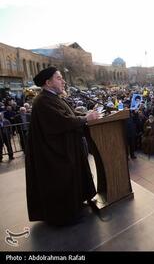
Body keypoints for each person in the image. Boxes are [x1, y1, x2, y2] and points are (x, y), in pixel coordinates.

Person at [25, 66, 100, 226]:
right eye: (59, 78)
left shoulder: (54, 97)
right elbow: (63, 121)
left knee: (72, 178)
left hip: (66, 149)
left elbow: (70, 114)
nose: (64, 81)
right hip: (54, 155)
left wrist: (86, 115)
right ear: (48, 82)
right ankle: (65, 215)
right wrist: (87, 119)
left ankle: (75, 206)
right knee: (61, 181)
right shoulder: (43, 101)